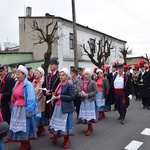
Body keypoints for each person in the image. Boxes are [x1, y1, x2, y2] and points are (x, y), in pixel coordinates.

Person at [8, 65, 38, 150]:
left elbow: (31, 98)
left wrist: (29, 110)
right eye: (16, 74)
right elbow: (14, 94)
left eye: (18, 74)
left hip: (24, 108)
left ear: (24, 74)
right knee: (18, 127)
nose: (16, 76)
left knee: (25, 127)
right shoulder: (17, 83)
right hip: (17, 108)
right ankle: (25, 143)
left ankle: (25, 143)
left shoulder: (28, 84)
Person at [49, 68, 75, 149]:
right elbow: (58, 93)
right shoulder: (60, 84)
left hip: (65, 107)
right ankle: (60, 137)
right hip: (58, 106)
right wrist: (55, 94)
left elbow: (72, 97)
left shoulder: (69, 85)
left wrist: (61, 96)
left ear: (67, 76)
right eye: (60, 75)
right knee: (59, 124)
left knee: (65, 125)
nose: (61, 77)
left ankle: (67, 140)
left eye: (63, 75)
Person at [78, 68, 98, 136]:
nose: (85, 76)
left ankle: (89, 127)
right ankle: (90, 126)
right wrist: (80, 93)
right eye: (85, 74)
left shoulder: (93, 82)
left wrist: (88, 95)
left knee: (89, 116)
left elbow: (96, 91)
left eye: (87, 74)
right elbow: (80, 90)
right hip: (84, 100)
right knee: (85, 115)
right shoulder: (82, 82)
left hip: (90, 101)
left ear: (90, 75)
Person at [0, 65, 15, 143]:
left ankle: (9, 136)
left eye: (2, 71)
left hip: (8, 102)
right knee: (4, 119)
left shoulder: (10, 79)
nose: (0, 73)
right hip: (2, 102)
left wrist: (2, 95)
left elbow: (10, 92)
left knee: (9, 119)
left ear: (6, 70)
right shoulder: (1, 79)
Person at [33, 67, 48, 136]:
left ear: (41, 74)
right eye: (35, 73)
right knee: (36, 115)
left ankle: (41, 129)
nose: (35, 74)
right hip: (34, 100)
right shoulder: (34, 81)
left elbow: (42, 92)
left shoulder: (42, 81)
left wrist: (36, 98)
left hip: (40, 100)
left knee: (39, 114)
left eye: (37, 73)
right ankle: (39, 128)